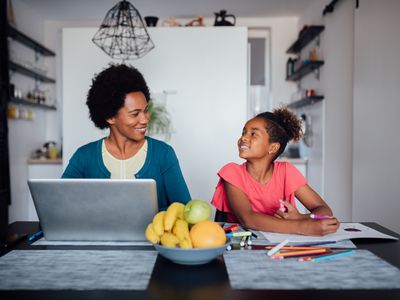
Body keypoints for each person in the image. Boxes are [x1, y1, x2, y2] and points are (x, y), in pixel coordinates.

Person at [62, 64, 191, 210]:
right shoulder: (84, 156)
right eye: (135, 113)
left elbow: (186, 211)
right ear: (110, 117)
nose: (144, 119)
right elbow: (60, 206)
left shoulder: (163, 154)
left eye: (145, 111)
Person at [211, 107, 339, 236]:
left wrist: (301, 217)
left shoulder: (285, 171)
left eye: (253, 134)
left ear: (272, 147)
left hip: (278, 243)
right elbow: (248, 218)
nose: (243, 138)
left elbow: (324, 209)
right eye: (243, 132)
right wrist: (302, 226)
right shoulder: (232, 172)